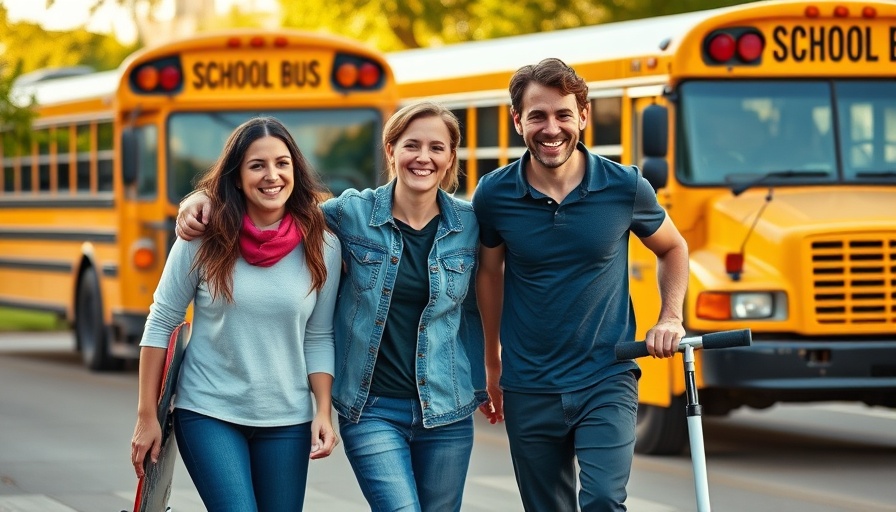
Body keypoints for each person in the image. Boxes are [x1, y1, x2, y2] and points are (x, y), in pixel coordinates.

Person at [176, 101, 486, 512]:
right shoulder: (350, 214)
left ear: (450, 157)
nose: (423, 157)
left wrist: (492, 373)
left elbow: (495, 296)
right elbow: (281, 200)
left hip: (448, 409)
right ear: (391, 150)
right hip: (373, 409)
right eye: (411, 145)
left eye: (436, 147)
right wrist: (201, 198)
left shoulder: (472, 224)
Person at [473, 58, 689, 512]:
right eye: (537, 116)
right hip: (529, 383)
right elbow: (489, 275)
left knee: (604, 500)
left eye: (563, 115)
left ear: (583, 116)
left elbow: (673, 248)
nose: (551, 129)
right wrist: (492, 363)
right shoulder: (494, 194)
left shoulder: (625, 186)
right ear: (517, 121)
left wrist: (670, 317)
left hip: (606, 376)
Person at [130, 116, 342, 511]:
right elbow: (161, 322)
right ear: (238, 177)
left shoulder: (323, 244)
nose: (272, 175)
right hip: (208, 411)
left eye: (282, 163)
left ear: (295, 170)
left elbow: (319, 335)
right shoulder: (202, 237)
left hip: (288, 419)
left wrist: (323, 412)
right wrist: (147, 416)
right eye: (257, 165)